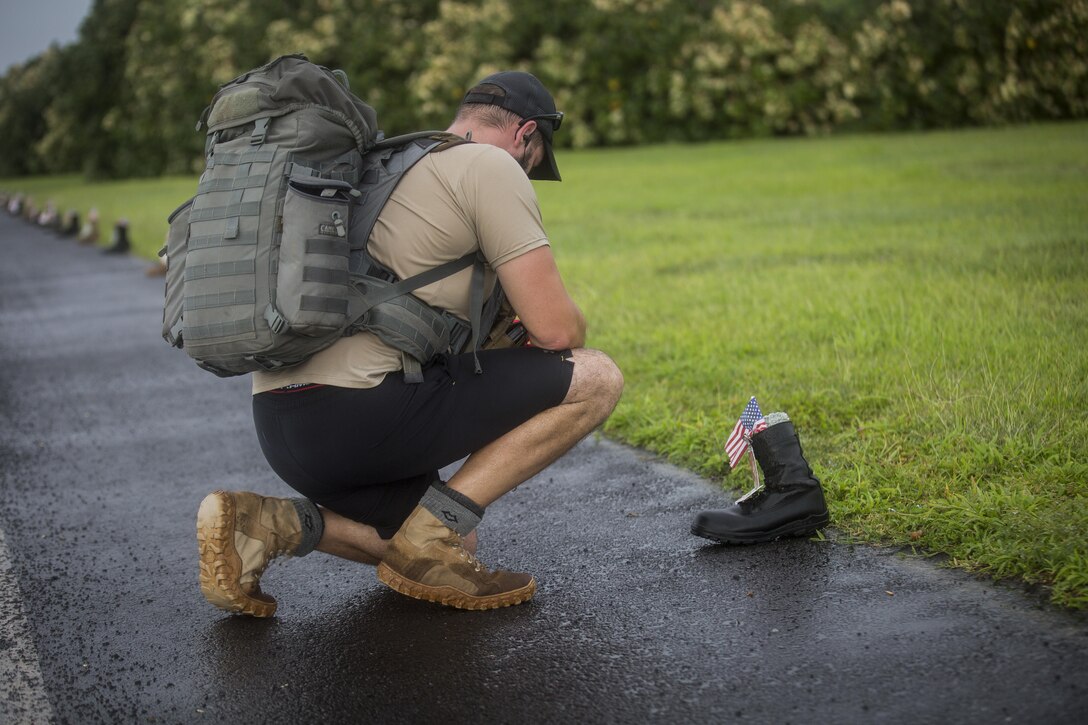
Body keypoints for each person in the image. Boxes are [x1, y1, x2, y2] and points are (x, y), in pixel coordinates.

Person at [196, 71, 624, 617]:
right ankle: (426, 534)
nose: (528, 173)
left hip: (284, 426)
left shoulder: (386, 165)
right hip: (362, 414)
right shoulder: (490, 165)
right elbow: (558, 332)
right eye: (534, 162)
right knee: (595, 377)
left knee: (452, 549)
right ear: (526, 135)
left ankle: (265, 524)